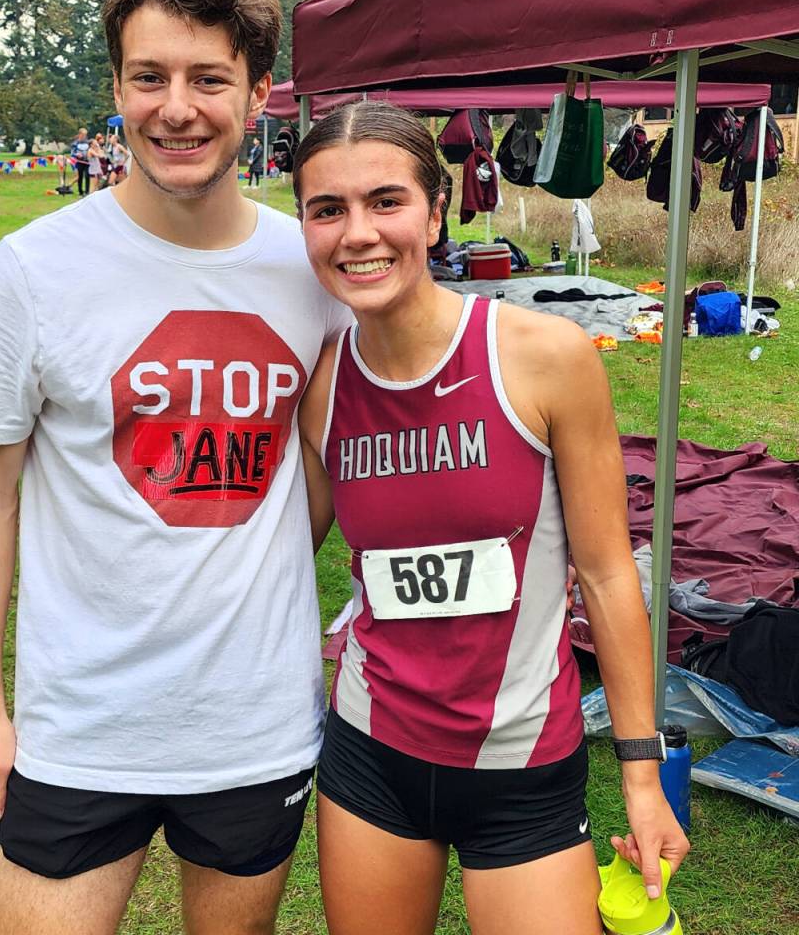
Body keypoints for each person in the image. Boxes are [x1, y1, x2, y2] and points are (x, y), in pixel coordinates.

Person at [0, 0, 349, 935]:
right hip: (81, 726)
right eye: (149, 77)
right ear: (118, 88)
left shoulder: (312, 270)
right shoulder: (28, 272)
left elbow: (323, 468)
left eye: (209, 78)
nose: (177, 107)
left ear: (258, 95)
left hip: (252, 724)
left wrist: (249, 576)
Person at [293, 102, 690, 935]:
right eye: (327, 209)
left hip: (523, 769)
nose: (357, 233)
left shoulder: (545, 356)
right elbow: (281, 550)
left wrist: (642, 776)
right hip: (372, 755)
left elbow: (609, 571)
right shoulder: (324, 384)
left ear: (437, 210)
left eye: (385, 201)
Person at [70, 127, 91, 196]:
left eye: (85, 135)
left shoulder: (88, 142)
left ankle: (87, 191)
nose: (84, 136)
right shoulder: (75, 143)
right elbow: (72, 153)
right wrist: (77, 154)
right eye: (83, 135)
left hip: (87, 162)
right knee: (80, 176)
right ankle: (80, 191)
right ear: (80, 134)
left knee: (87, 175)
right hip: (79, 162)